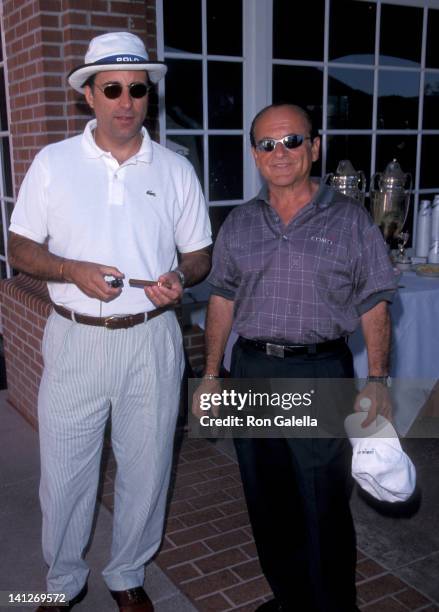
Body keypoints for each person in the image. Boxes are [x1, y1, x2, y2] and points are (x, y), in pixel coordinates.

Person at [8, 32, 211, 612]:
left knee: (147, 470)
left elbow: (200, 253)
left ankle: (127, 573)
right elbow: (19, 248)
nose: (126, 101)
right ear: (89, 96)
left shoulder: (174, 169)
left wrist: (180, 275)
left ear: (149, 96)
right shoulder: (54, 163)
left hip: (152, 340)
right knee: (66, 474)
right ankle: (62, 581)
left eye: (137, 89)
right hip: (75, 339)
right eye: (113, 88)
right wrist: (70, 268)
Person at [194, 103, 397, 612]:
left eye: (291, 141)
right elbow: (221, 299)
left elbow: (374, 303)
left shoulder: (351, 222)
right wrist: (212, 374)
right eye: (267, 144)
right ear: (254, 154)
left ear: (314, 147)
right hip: (253, 369)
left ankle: (332, 606)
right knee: (268, 499)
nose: (279, 153)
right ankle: (289, 598)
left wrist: (378, 380)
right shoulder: (239, 223)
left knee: (322, 502)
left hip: (319, 371)